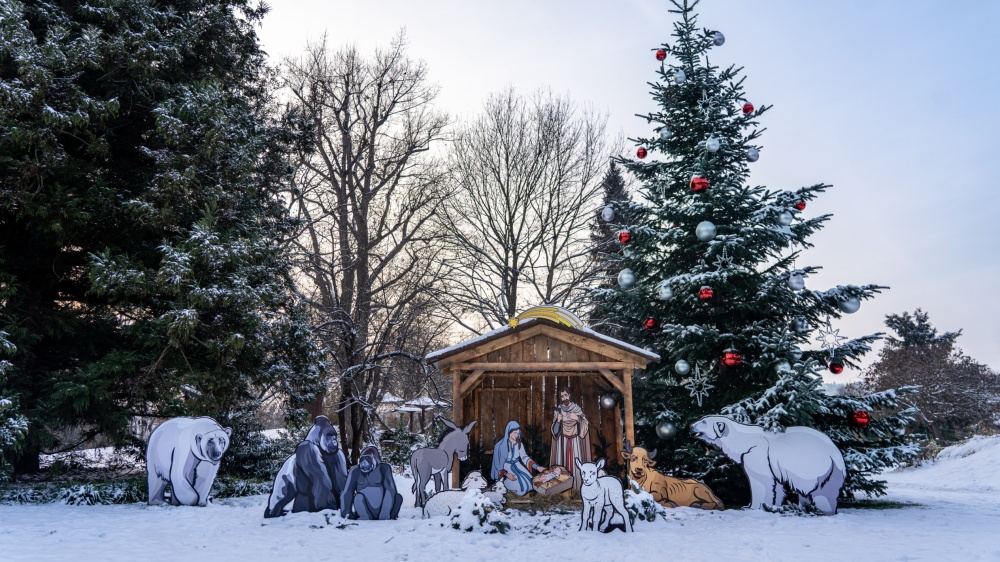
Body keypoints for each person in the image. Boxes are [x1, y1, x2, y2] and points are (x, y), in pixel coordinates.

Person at [550, 387, 592, 490]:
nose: (564, 398)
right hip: (562, 442)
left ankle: (577, 488)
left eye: (566, 395)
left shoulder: (577, 410)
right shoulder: (558, 412)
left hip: (575, 441)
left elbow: (585, 424)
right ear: (560, 398)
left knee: (576, 464)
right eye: (562, 396)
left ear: (569, 395)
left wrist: (577, 418)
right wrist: (558, 421)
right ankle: (562, 490)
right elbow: (555, 432)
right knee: (561, 464)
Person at [491, 421, 544, 496]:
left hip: (518, 465)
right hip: (506, 467)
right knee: (517, 486)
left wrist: (537, 467)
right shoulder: (500, 446)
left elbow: (524, 457)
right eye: (514, 433)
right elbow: (497, 465)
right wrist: (506, 474)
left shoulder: (519, 444)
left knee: (530, 481)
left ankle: (527, 496)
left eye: (518, 433)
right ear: (509, 432)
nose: (516, 435)